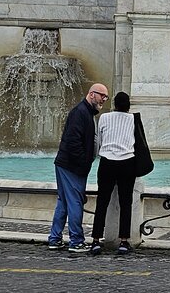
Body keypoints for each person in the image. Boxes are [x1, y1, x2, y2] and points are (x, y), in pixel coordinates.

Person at [47, 82, 109, 252]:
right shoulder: (81, 112)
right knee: (75, 202)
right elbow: (73, 141)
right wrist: (83, 164)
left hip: (66, 163)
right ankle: (76, 241)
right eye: (101, 95)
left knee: (64, 202)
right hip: (72, 166)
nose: (104, 99)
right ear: (91, 94)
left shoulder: (85, 112)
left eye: (106, 97)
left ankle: (54, 238)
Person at [88, 92, 140, 256]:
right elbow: (138, 143)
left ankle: (96, 241)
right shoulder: (133, 119)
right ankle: (124, 241)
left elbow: (100, 140)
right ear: (128, 105)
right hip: (127, 162)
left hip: (107, 162)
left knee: (102, 201)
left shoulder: (103, 118)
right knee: (126, 203)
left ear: (115, 104)